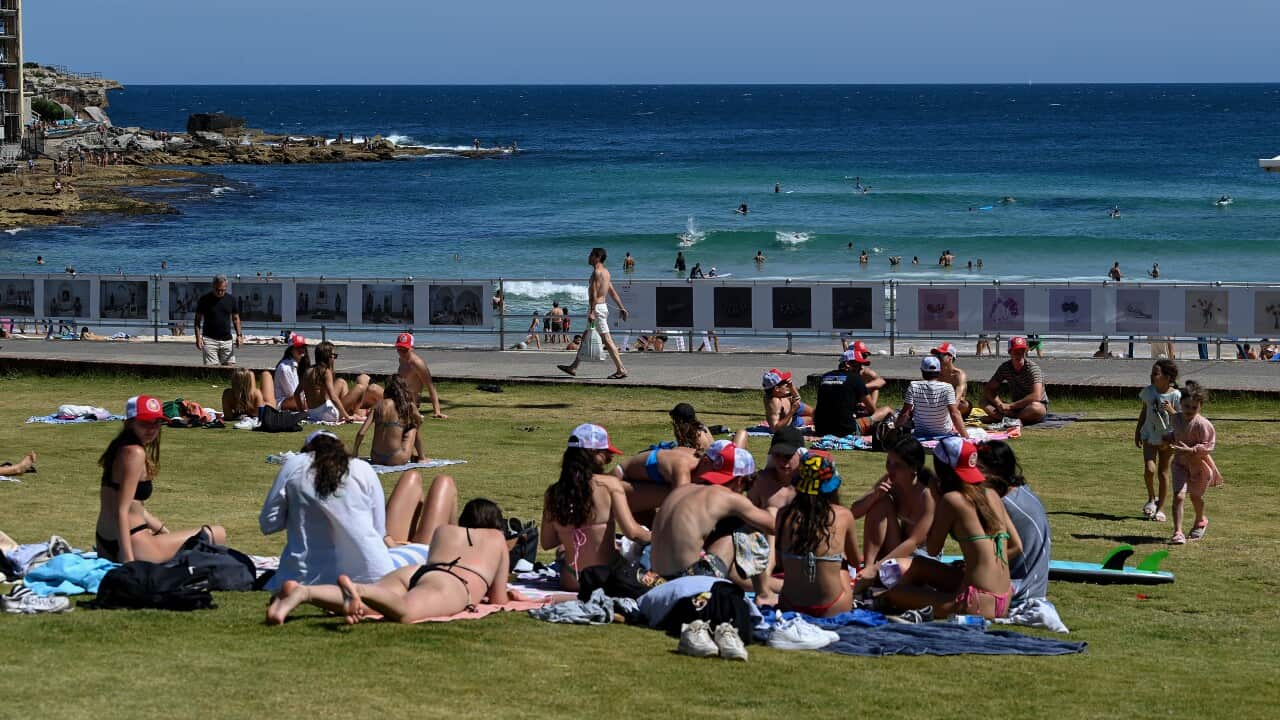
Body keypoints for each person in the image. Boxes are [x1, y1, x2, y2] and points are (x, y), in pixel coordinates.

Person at [266, 498, 522, 625]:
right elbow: (499, 598)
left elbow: (433, 563)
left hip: (418, 572)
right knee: (405, 611)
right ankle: (359, 590)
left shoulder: (445, 530)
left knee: (371, 606)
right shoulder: (497, 538)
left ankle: (304, 592)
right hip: (453, 583)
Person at [261, 430, 457, 594]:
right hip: (373, 576)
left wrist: (302, 509)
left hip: (302, 576)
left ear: (307, 451)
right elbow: (379, 531)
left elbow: (269, 524)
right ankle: (460, 548)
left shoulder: (294, 465)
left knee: (413, 478)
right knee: (443, 484)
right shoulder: (362, 469)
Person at [880, 437, 1022, 620]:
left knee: (893, 593)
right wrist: (979, 561)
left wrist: (934, 496)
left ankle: (916, 598)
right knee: (920, 566)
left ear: (942, 469)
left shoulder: (951, 500)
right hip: (1003, 598)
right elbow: (1017, 546)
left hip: (974, 602)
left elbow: (932, 549)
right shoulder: (991, 493)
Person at [95, 396, 228, 562]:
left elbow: (135, 508)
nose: (151, 429)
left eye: (156, 422)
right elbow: (123, 509)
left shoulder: (119, 448)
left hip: (106, 541)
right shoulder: (134, 453)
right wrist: (128, 560)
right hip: (132, 543)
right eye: (145, 423)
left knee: (186, 540)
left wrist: (165, 533)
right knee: (217, 534)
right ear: (129, 423)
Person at [540, 423, 653, 594]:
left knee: (563, 551)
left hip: (571, 580)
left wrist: (571, 531)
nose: (609, 459)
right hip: (605, 578)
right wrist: (661, 538)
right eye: (606, 454)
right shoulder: (608, 485)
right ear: (592, 453)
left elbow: (547, 543)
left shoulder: (553, 493)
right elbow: (633, 533)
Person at [649, 442, 773, 580]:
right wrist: (771, 504)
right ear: (740, 481)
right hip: (687, 582)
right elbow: (773, 526)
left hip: (655, 579)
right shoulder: (728, 497)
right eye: (746, 488)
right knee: (742, 528)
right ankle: (764, 592)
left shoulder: (682, 490)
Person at [777, 451, 860, 617]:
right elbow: (855, 561)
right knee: (843, 568)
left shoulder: (784, 514)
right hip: (833, 606)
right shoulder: (843, 516)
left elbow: (779, 561)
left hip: (789, 604)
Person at [978, 441, 1050, 605]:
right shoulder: (1022, 490)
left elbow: (1012, 549)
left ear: (996, 471)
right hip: (1035, 581)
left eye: (980, 470)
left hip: (1021, 586)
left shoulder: (1003, 503)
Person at [851, 437, 936, 574]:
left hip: (923, 554)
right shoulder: (890, 481)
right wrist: (874, 496)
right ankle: (867, 567)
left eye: (897, 465)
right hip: (897, 548)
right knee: (880, 502)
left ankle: (872, 571)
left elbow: (914, 541)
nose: (890, 469)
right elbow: (854, 512)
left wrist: (877, 568)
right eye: (888, 462)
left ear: (913, 468)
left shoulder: (927, 495)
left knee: (894, 574)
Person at [557, 247, 630, 380]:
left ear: (597, 257)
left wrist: (591, 312)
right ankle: (573, 367)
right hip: (600, 308)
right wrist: (621, 307)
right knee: (585, 337)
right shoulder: (606, 272)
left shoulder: (597, 272)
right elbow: (612, 291)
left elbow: (594, 294)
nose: (588, 257)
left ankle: (621, 369)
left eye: (591, 255)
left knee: (607, 339)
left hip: (596, 309)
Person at [1166, 381, 1222, 545]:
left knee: (1196, 497)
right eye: (1186, 406)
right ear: (1181, 404)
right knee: (1179, 496)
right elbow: (1176, 433)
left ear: (1200, 407)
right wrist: (1167, 439)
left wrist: (1191, 451)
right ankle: (1178, 532)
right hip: (1180, 464)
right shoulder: (1176, 418)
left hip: (1198, 467)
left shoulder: (1203, 425)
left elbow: (1208, 446)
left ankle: (1200, 520)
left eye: (1193, 408)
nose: (1189, 410)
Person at [1135, 359, 1180, 523]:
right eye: (1152, 373)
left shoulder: (1175, 395)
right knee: (1149, 469)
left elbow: (1181, 419)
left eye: (1156, 373)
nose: (1152, 376)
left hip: (1168, 438)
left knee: (1163, 473)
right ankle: (1151, 498)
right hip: (1149, 435)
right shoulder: (1149, 392)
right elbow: (1144, 411)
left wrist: (1171, 409)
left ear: (1168, 377)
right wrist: (1137, 431)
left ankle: (1161, 509)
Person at [812, 349, 892, 438]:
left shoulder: (825, 377)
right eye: (858, 364)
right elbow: (872, 410)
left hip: (821, 429)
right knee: (886, 410)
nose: (861, 368)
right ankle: (897, 429)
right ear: (847, 364)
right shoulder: (856, 379)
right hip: (845, 430)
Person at [353, 375, 425, 466]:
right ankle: (422, 457)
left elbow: (361, 433)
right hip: (396, 458)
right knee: (414, 426)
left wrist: (355, 453)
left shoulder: (377, 405)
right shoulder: (408, 405)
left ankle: (413, 454)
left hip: (376, 457)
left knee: (403, 427)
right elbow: (420, 421)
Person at [303, 341, 379, 423]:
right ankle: (353, 413)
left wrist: (303, 412)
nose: (334, 358)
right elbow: (333, 397)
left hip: (313, 413)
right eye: (334, 356)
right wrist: (346, 417)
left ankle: (349, 411)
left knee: (341, 382)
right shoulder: (325, 371)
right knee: (360, 388)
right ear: (327, 357)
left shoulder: (308, 371)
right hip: (328, 415)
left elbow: (297, 393)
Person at [981, 336, 1049, 425]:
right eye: (1016, 351)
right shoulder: (1005, 367)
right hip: (1015, 407)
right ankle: (1012, 418)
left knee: (1036, 408)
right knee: (983, 402)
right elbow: (989, 389)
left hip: (1032, 405)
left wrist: (1010, 406)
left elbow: (1036, 396)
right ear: (1010, 352)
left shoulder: (1033, 369)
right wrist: (999, 404)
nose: (1019, 354)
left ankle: (1003, 418)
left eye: (1022, 351)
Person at [898, 356, 965, 439]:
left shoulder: (913, 385)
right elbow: (954, 414)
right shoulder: (948, 387)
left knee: (907, 411)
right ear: (939, 371)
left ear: (922, 371)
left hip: (921, 432)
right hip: (944, 432)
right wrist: (966, 437)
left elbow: (905, 413)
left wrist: (895, 427)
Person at [194, 274, 242, 366]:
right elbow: (197, 321)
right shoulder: (204, 300)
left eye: (222, 290)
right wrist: (198, 338)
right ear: (213, 287)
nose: (220, 292)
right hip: (209, 339)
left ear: (226, 287)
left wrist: (239, 335)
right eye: (217, 290)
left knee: (230, 367)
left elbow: (236, 318)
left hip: (227, 340)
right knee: (212, 369)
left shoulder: (231, 299)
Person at [395, 333, 445, 419]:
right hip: (399, 398)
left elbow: (430, 387)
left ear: (411, 348)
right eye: (399, 349)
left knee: (372, 388)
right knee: (364, 380)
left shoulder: (417, 363)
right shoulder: (401, 359)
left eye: (405, 350)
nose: (401, 352)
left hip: (409, 402)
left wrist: (437, 411)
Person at [931, 342, 971, 416]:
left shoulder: (959, 375)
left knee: (965, 405)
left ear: (950, 357)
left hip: (955, 405)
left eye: (940, 355)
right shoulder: (935, 372)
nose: (937, 357)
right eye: (936, 355)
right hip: (940, 403)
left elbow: (958, 397)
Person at [272, 334, 310, 411]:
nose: (301, 349)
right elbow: (293, 394)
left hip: (295, 399)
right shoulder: (285, 368)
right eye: (298, 347)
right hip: (284, 402)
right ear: (291, 349)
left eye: (303, 347)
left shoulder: (300, 365)